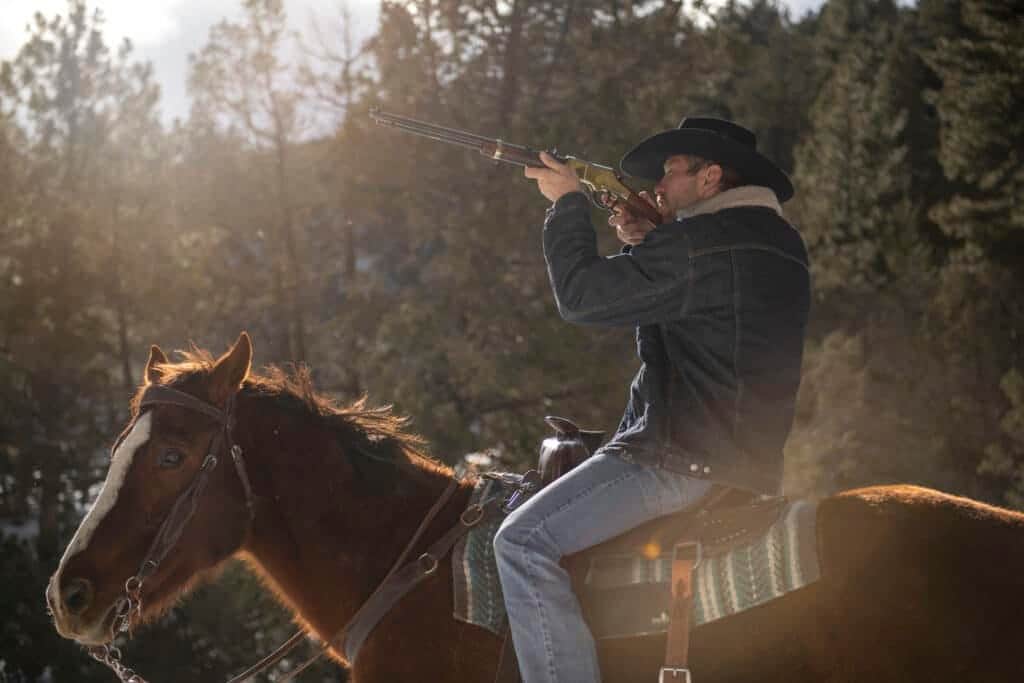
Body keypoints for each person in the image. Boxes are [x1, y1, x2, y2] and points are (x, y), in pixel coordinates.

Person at [492, 117, 811, 682]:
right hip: (747, 464)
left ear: (710, 177)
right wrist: (650, 242)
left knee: (520, 542)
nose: (658, 185)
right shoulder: (776, 243)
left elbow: (582, 298)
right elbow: (698, 315)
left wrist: (566, 204)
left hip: (675, 459)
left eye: (671, 171)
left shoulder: (696, 245)